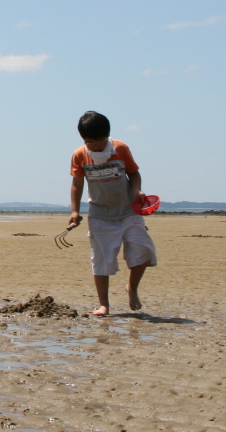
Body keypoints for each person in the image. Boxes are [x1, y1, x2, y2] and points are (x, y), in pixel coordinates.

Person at [66, 110, 157, 316]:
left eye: (100, 141)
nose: (96, 146)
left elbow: (133, 172)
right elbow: (77, 183)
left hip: (128, 211)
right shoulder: (80, 154)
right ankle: (104, 304)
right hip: (100, 213)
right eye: (91, 142)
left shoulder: (121, 148)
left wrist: (137, 190)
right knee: (101, 259)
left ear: (108, 135)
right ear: (83, 139)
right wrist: (74, 211)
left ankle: (132, 287)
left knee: (142, 250)